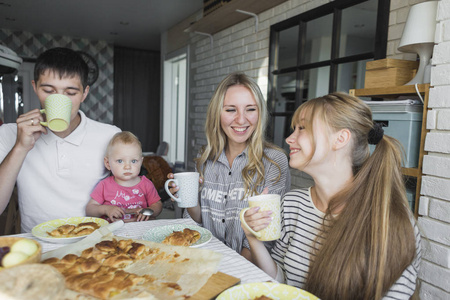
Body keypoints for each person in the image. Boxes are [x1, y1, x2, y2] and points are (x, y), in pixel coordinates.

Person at [241, 92, 421, 299]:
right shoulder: (292, 204)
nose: (290, 138)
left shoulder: (390, 222)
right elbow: (282, 285)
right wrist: (253, 239)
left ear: (340, 138)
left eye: (303, 128)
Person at [168, 72, 291, 260]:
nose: (241, 120)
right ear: (217, 113)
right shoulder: (205, 158)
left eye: (250, 109)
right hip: (203, 260)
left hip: (247, 272)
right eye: (231, 110)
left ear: (260, 113)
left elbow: (266, 236)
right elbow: (198, 221)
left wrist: (233, 270)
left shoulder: (275, 161)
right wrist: (188, 198)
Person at [0, 47, 121, 232]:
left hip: (94, 242)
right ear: (34, 87)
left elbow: (128, 188)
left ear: (85, 93)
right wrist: (20, 147)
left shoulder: (110, 135)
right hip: (39, 245)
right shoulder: (10, 133)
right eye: (48, 90)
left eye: (70, 93)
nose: (59, 99)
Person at [86, 131, 162, 222]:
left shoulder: (146, 184)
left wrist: (150, 211)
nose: (127, 167)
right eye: (120, 161)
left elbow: (157, 204)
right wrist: (106, 209)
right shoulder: (104, 185)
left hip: (140, 229)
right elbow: (90, 209)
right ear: (108, 163)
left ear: (141, 162)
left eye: (133, 161)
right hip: (112, 231)